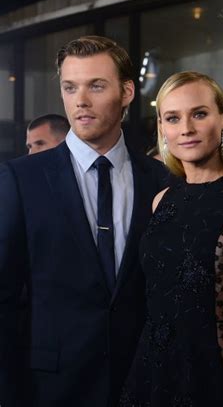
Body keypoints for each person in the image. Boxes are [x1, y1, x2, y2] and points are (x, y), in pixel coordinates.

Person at [0, 35, 169, 407]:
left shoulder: (161, 181)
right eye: (70, 87)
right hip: (48, 389)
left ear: (126, 92)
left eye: (96, 86)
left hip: (142, 384)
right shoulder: (21, 179)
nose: (81, 100)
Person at [120, 71, 223, 406]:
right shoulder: (161, 199)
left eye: (199, 114)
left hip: (219, 372)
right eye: (172, 118)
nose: (186, 129)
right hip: (152, 369)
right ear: (162, 129)